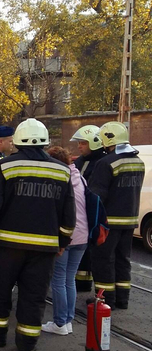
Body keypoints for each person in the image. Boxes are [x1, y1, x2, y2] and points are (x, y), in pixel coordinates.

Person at [0, 118, 75, 351]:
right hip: (44, 249)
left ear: (17, 141)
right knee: (34, 296)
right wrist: (63, 241)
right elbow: (69, 213)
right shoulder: (61, 170)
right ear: (44, 141)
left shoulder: (5, 166)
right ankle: (27, 344)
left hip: (8, 246)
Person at [88, 122, 145, 309]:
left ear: (107, 139)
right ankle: (122, 299)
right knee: (122, 260)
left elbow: (97, 196)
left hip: (108, 221)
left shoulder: (106, 163)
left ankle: (105, 299)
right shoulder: (138, 161)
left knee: (103, 260)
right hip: (129, 221)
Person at [41, 146, 87, 336]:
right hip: (83, 236)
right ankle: (67, 320)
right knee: (69, 279)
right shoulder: (80, 177)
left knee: (58, 280)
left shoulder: (58, 179)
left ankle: (60, 323)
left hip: (66, 236)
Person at [69, 125, 106, 292]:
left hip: (89, 213)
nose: (79, 146)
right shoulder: (80, 161)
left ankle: (84, 283)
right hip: (79, 213)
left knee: (89, 252)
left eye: (83, 143)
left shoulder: (100, 163)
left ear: (94, 143)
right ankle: (79, 281)